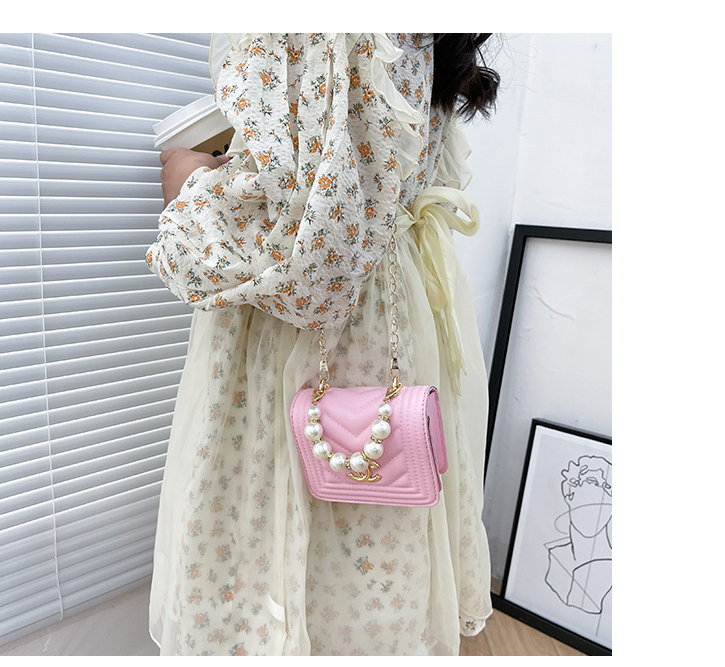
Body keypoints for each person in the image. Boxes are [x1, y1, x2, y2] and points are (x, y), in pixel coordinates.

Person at [146, 32, 499, 656]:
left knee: (291, 563)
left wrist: (188, 183)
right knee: (368, 557)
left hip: (313, 335)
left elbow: (310, 259)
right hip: (390, 312)